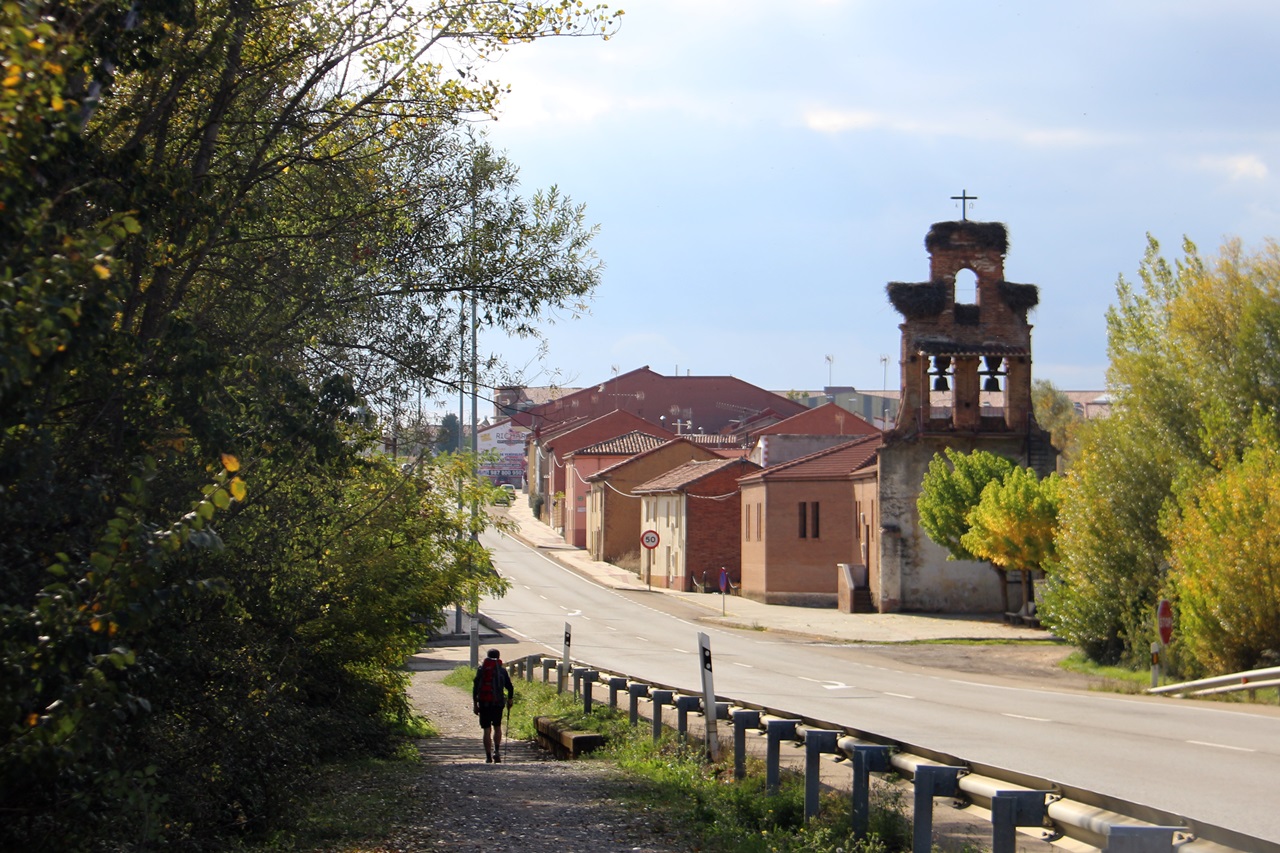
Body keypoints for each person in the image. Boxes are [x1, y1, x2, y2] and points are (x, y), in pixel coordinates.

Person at [473, 648, 515, 763]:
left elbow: (475, 688)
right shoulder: (501, 671)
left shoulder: (481, 670)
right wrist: (510, 700)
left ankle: (488, 756)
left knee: (486, 730)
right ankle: (496, 751)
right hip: (498, 703)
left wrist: (475, 704)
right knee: (497, 727)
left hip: (484, 703)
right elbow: (510, 687)